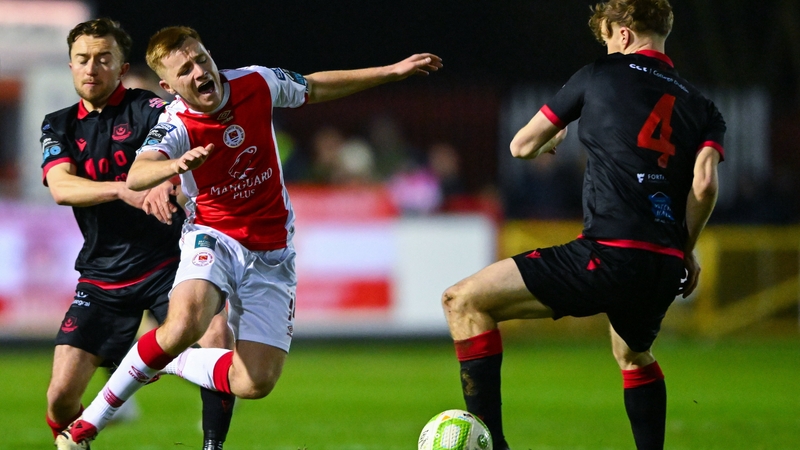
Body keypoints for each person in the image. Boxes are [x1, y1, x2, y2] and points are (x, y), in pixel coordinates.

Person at [56, 25, 442, 448]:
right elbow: (138, 172)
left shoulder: (256, 81)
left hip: (273, 251)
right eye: (186, 69)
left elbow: (313, 87)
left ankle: (165, 360)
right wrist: (176, 163)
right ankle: (88, 424)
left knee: (254, 381)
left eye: (202, 58)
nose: (201, 71)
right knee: (185, 322)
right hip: (213, 236)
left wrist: (390, 71)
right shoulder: (175, 123)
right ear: (169, 87)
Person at [440, 1, 724, 449]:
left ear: (624, 36)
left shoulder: (598, 74)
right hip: (664, 263)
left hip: (609, 251)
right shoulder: (704, 107)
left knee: (463, 301)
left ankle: (490, 443)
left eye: (609, 39)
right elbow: (704, 186)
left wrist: (551, 139)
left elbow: (520, 146)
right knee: (632, 354)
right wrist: (684, 249)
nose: (608, 48)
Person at [42, 18, 236, 450]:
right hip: (101, 276)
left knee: (217, 339)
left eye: (103, 58)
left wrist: (169, 179)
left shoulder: (149, 109)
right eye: (82, 59)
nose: (92, 68)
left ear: (121, 67)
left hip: (169, 262)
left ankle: (213, 447)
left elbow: (178, 155)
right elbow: (60, 188)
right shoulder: (58, 125)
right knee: (60, 398)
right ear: (71, 66)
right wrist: (125, 190)